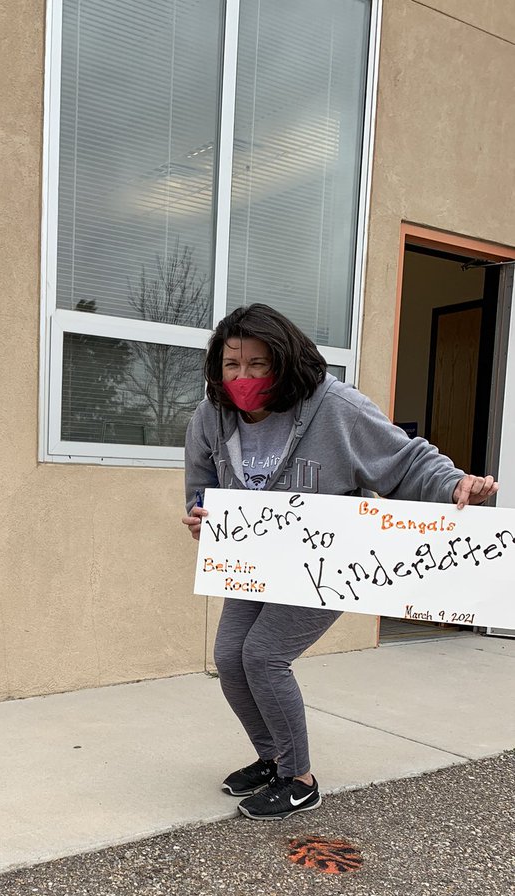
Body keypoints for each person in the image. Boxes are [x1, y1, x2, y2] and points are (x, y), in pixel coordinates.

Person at [182, 304, 498, 821]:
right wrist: (200, 518)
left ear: (284, 360)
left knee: (263, 657)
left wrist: (454, 484)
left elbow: (407, 460)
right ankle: (272, 758)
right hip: (254, 560)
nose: (242, 377)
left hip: (325, 563)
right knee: (230, 658)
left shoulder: (335, 407)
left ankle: (299, 780)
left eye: (258, 365)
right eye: (231, 365)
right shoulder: (209, 417)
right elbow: (201, 485)